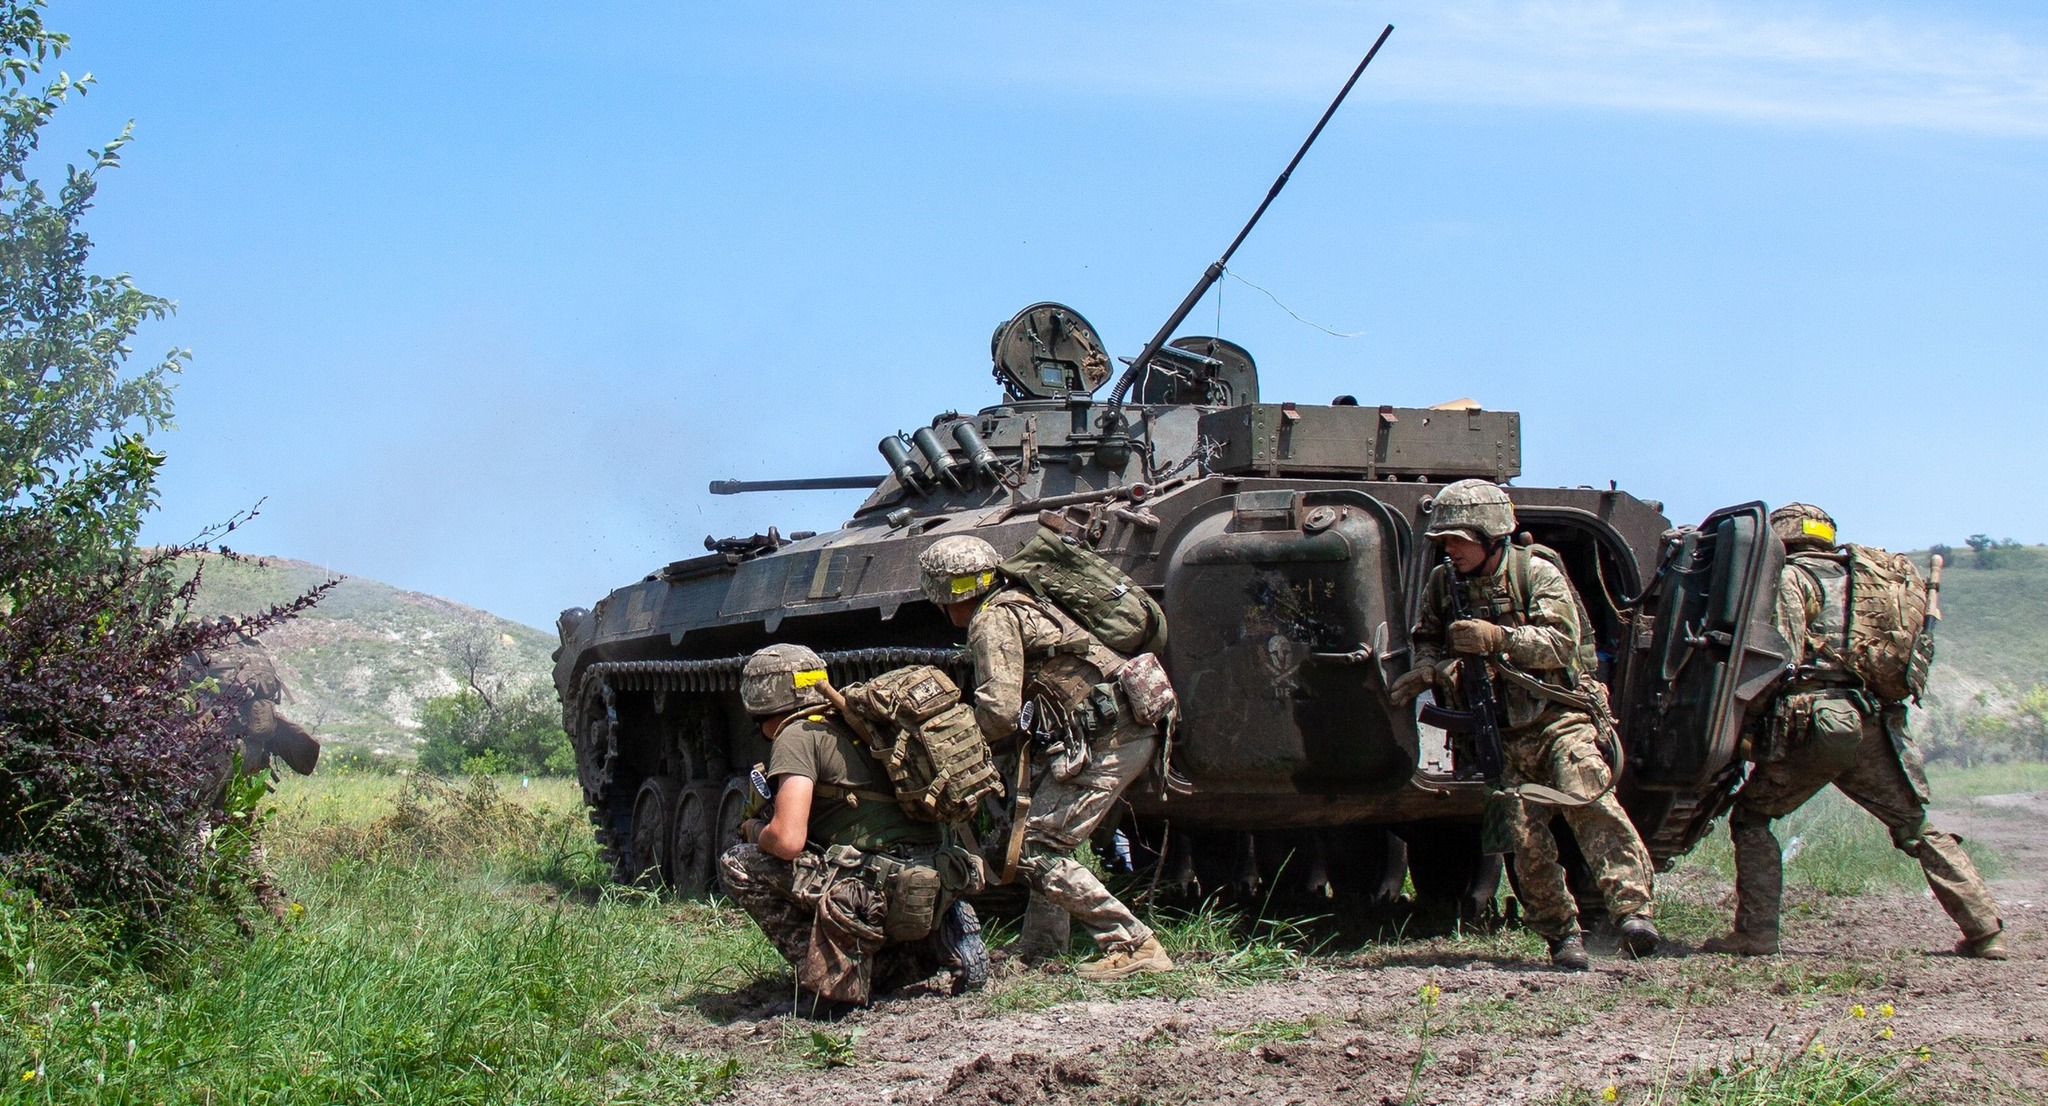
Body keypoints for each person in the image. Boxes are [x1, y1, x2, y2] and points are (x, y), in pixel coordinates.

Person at [1702, 504, 2006, 959]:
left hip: (1813, 723)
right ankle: (1985, 930)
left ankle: (1756, 933)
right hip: (1870, 719)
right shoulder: (1866, 583)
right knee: (1915, 825)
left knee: (1752, 818)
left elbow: (1776, 659)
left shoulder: (1791, 580)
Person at [1388, 479, 1659, 971]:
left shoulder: (1537, 574)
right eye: (1444, 540)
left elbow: (1560, 643)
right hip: (1499, 729)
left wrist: (1497, 638)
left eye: (1458, 539)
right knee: (1524, 838)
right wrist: (1431, 667)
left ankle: (1633, 913)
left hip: (1558, 717)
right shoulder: (1443, 583)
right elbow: (1426, 635)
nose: (1449, 549)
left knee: (1589, 801)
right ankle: (1560, 935)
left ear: (1491, 535)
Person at [917, 535, 1174, 980]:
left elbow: (998, 712)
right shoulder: (1023, 599)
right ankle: (1041, 947)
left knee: (1036, 847)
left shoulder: (992, 619)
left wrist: (950, 746)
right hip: (1118, 729)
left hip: (1109, 737)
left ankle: (1133, 943)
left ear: (942, 596)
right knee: (1043, 835)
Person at [717, 643, 990, 1012]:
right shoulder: (863, 722)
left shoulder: (796, 735)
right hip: (939, 870)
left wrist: (753, 829)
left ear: (759, 700)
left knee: (739, 861)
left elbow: (787, 840)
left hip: (876, 887)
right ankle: (943, 932)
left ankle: (831, 977)